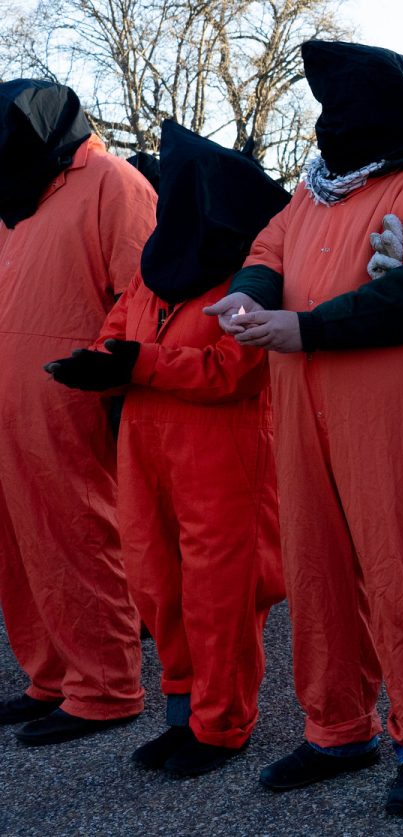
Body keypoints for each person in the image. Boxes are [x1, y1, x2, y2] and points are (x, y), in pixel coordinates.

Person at [206, 40, 403, 815]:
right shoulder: (312, 194)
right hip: (306, 411)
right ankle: (337, 727)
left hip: (397, 417)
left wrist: (302, 329)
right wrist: (247, 299)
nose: (332, 122)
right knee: (317, 572)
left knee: (402, 571)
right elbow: (265, 252)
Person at [46, 120, 288, 772]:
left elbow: (231, 371)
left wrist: (137, 364)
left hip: (220, 454)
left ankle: (223, 725)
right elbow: (115, 332)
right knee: (158, 588)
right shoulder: (156, 275)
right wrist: (99, 365)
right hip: (147, 449)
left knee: (218, 596)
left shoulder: (247, 279)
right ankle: (185, 715)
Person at [0, 79, 153, 744]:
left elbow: (142, 295)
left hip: (70, 401)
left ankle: (106, 686)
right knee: (19, 545)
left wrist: (113, 371)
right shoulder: (20, 190)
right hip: (13, 403)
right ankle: (53, 673)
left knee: (80, 537)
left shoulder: (112, 182)